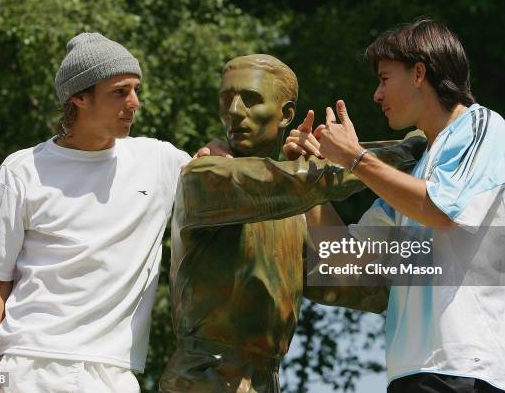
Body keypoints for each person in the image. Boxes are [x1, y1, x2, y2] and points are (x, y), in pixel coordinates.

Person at [285, 19, 505, 393]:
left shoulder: (483, 127)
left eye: (384, 78)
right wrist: (308, 178)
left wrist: (356, 159)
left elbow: (443, 211)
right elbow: (344, 257)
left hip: (473, 370)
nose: (376, 95)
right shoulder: (414, 174)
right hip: (412, 374)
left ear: (419, 73)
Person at [160, 54, 426, 393]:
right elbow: (291, 183)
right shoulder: (205, 176)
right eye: (227, 100)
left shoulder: (293, 207)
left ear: (287, 113)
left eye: (251, 99)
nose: (235, 111)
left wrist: (312, 184)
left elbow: (360, 287)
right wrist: (411, 150)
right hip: (201, 380)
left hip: (263, 382)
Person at [0, 32, 190, 392]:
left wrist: (307, 164)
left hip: (116, 375)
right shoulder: (22, 169)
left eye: (136, 89)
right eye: (120, 92)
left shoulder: (160, 161)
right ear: (80, 98)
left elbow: (227, 186)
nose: (134, 103)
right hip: (30, 367)